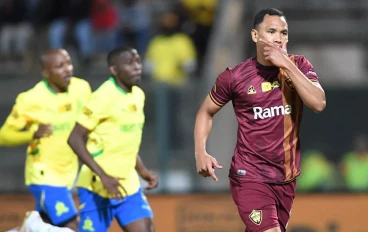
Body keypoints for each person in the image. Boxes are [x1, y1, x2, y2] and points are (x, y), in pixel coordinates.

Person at [193, 8, 326, 232]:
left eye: (283, 32)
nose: (278, 38)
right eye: (271, 31)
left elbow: (318, 103)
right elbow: (205, 112)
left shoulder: (299, 66)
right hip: (250, 176)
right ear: (255, 36)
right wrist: (200, 152)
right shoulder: (235, 77)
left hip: (286, 178)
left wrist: (286, 65)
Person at [67, 46, 158, 232]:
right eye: (129, 63)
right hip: (97, 186)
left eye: (138, 61)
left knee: (145, 229)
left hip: (127, 183)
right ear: (114, 70)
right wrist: (104, 176)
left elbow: (126, 140)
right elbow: (74, 139)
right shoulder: (102, 97)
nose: (137, 67)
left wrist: (142, 170)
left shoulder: (138, 95)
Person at [0, 48, 92, 231]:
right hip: (44, 175)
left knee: (44, 225)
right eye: (60, 66)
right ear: (46, 73)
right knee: (73, 226)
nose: (68, 69)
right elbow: (3, 136)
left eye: (69, 63)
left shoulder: (81, 88)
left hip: (67, 173)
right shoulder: (30, 99)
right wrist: (31, 134)